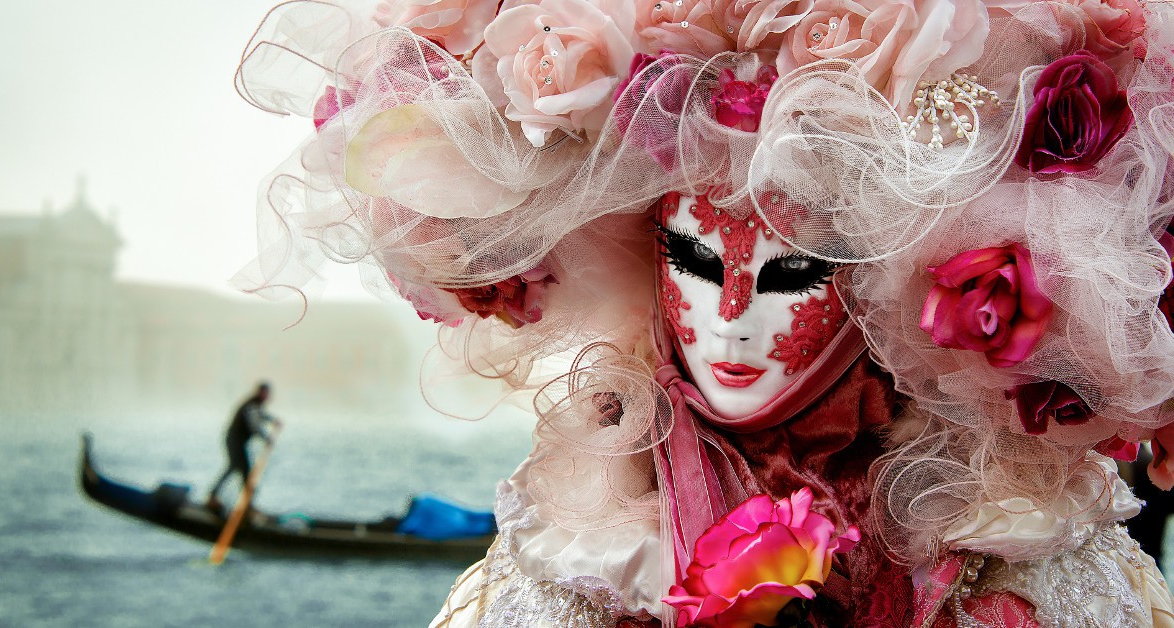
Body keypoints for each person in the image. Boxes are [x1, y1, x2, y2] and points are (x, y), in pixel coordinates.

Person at [235, 1, 1174, 625]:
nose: (729, 323)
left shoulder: (1012, 546)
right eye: (690, 262)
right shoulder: (579, 547)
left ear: (874, 289)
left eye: (791, 279)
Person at [206, 382, 279, 514]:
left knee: (244, 470)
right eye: (265, 393)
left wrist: (273, 420)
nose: (267, 396)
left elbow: (261, 415)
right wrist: (266, 438)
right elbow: (254, 425)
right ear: (260, 392)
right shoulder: (251, 405)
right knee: (236, 467)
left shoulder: (256, 405)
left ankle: (246, 504)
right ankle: (213, 496)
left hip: (238, 442)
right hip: (234, 441)